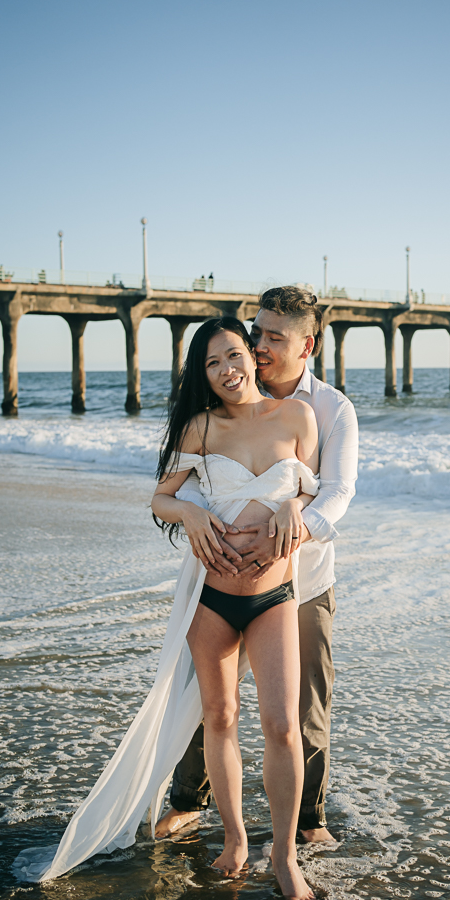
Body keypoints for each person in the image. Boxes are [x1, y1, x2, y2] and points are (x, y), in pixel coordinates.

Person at [13, 315, 321, 900]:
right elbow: (161, 495)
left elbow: (315, 485)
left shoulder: (298, 418)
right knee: (220, 717)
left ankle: (283, 855)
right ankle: (234, 840)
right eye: (212, 363)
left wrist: (294, 510)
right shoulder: (202, 426)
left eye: (234, 355)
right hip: (214, 600)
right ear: (202, 375)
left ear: (253, 356)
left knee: (281, 725)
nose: (227, 369)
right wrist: (194, 514)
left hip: (274, 596)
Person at [155, 285, 359, 845]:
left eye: (274, 336)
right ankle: (189, 801)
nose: (259, 345)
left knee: (304, 705)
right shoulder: (227, 395)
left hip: (305, 578)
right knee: (211, 700)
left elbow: (336, 490)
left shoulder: (328, 409)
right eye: (257, 332)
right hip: (224, 578)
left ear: (307, 344)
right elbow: (197, 485)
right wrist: (196, 520)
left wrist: (290, 529)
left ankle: (307, 821)